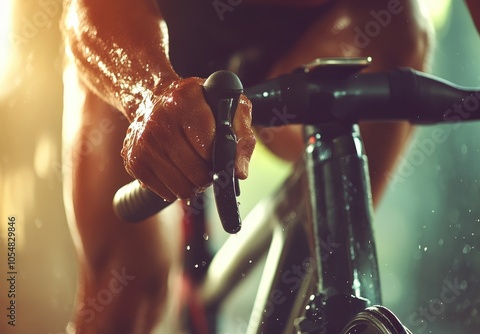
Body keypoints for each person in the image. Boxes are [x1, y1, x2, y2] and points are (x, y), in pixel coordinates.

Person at [61, 0, 435, 332]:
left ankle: (328, 295)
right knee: (121, 293)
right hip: (149, 32)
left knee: (400, 31)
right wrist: (146, 95)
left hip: (314, 41)